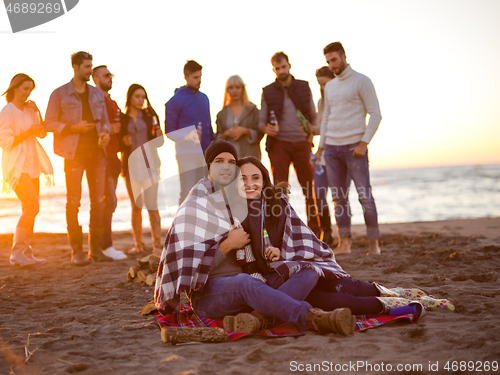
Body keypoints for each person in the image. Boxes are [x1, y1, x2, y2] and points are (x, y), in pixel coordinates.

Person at [154, 139, 357, 336]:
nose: (226, 166)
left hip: (251, 285)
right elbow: (191, 272)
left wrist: (277, 251)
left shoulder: (234, 200)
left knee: (309, 270)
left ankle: (260, 319)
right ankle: (314, 319)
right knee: (244, 282)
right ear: (208, 168)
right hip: (209, 296)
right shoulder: (195, 206)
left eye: (232, 162)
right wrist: (228, 245)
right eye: (219, 161)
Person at [236, 156, 455, 316]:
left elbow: (296, 238)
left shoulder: (277, 203)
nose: (249, 184)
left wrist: (281, 251)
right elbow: (247, 262)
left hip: (302, 266)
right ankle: (399, 306)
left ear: (264, 179)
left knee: (346, 287)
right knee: (335, 302)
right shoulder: (235, 215)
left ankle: (401, 292)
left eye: (255, 177)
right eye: (243, 179)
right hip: (283, 282)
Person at [45, 51, 112, 266]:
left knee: (98, 203)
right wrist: (72, 127)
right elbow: (48, 123)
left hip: (97, 154)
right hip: (73, 155)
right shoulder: (59, 94)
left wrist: (105, 134)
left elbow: (106, 122)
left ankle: (95, 251)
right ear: (75, 67)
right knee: (73, 202)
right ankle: (77, 253)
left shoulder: (96, 94)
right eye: (86, 67)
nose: (90, 70)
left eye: (91, 66)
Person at [317, 42, 382, 256]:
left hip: (355, 148)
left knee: (364, 196)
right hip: (332, 149)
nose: (332, 65)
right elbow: (326, 117)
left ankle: (374, 244)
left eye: (334, 59)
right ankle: (345, 242)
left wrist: (364, 143)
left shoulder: (362, 81)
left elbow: (375, 114)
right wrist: (321, 147)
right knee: (339, 198)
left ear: (344, 56)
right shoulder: (331, 86)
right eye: (328, 61)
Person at [259, 52, 320, 237]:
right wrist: (266, 129)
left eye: (283, 67)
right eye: (277, 69)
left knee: (309, 190)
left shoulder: (303, 86)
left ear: (289, 65)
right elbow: (261, 121)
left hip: (302, 144)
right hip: (279, 145)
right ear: (273, 70)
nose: (281, 71)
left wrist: (311, 132)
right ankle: (281, 234)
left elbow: (313, 115)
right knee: (279, 192)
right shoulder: (267, 90)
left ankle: (315, 234)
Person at [0, 73, 54, 266]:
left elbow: (42, 133)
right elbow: (5, 142)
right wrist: (27, 132)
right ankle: (17, 252)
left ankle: (25, 252)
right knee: (32, 207)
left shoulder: (30, 109)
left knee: (29, 208)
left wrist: (37, 111)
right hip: (16, 168)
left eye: (30, 89)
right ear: (14, 88)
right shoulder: (7, 111)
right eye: (25, 88)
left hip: (32, 167)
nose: (28, 92)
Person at [119, 84, 163, 255]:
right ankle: (138, 244)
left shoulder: (150, 116)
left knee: (152, 205)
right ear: (130, 97)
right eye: (137, 96)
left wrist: (159, 135)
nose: (140, 100)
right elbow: (119, 143)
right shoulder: (122, 119)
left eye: (143, 97)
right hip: (131, 167)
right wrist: (124, 142)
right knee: (136, 206)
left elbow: (159, 143)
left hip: (150, 165)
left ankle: (157, 245)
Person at [165, 60, 215, 205]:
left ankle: (203, 226)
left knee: (206, 193)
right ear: (186, 77)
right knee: (188, 192)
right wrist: (187, 136)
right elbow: (169, 131)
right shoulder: (174, 101)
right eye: (195, 77)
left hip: (205, 153)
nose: (199, 81)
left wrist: (214, 149)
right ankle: (181, 226)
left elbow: (209, 127)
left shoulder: (204, 98)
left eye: (200, 77)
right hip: (186, 155)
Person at [91, 65, 127, 260]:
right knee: (108, 201)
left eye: (110, 75)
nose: (110, 78)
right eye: (106, 75)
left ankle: (104, 245)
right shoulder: (94, 101)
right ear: (95, 79)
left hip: (114, 157)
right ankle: (104, 246)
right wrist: (108, 130)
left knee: (109, 202)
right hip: (101, 157)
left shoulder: (112, 102)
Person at [215, 75, 263, 159]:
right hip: (230, 160)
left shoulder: (253, 110)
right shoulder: (222, 114)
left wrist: (245, 131)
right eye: (231, 87)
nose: (234, 90)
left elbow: (260, 134)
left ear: (242, 89)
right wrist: (226, 133)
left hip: (250, 157)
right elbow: (217, 139)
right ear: (227, 90)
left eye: (237, 87)